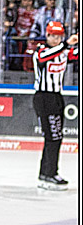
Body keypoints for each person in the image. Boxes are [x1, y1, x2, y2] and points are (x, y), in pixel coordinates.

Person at [30, 21, 78, 189]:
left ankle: (46, 173)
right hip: (44, 98)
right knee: (53, 137)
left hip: (57, 96)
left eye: (59, 37)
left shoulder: (62, 52)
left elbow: (75, 55)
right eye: (53, 36)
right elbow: (44, 57)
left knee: (55, 136)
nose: (56, 39)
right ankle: (50, 174)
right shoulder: (41, 51)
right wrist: (66, 44)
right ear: (47, 36)